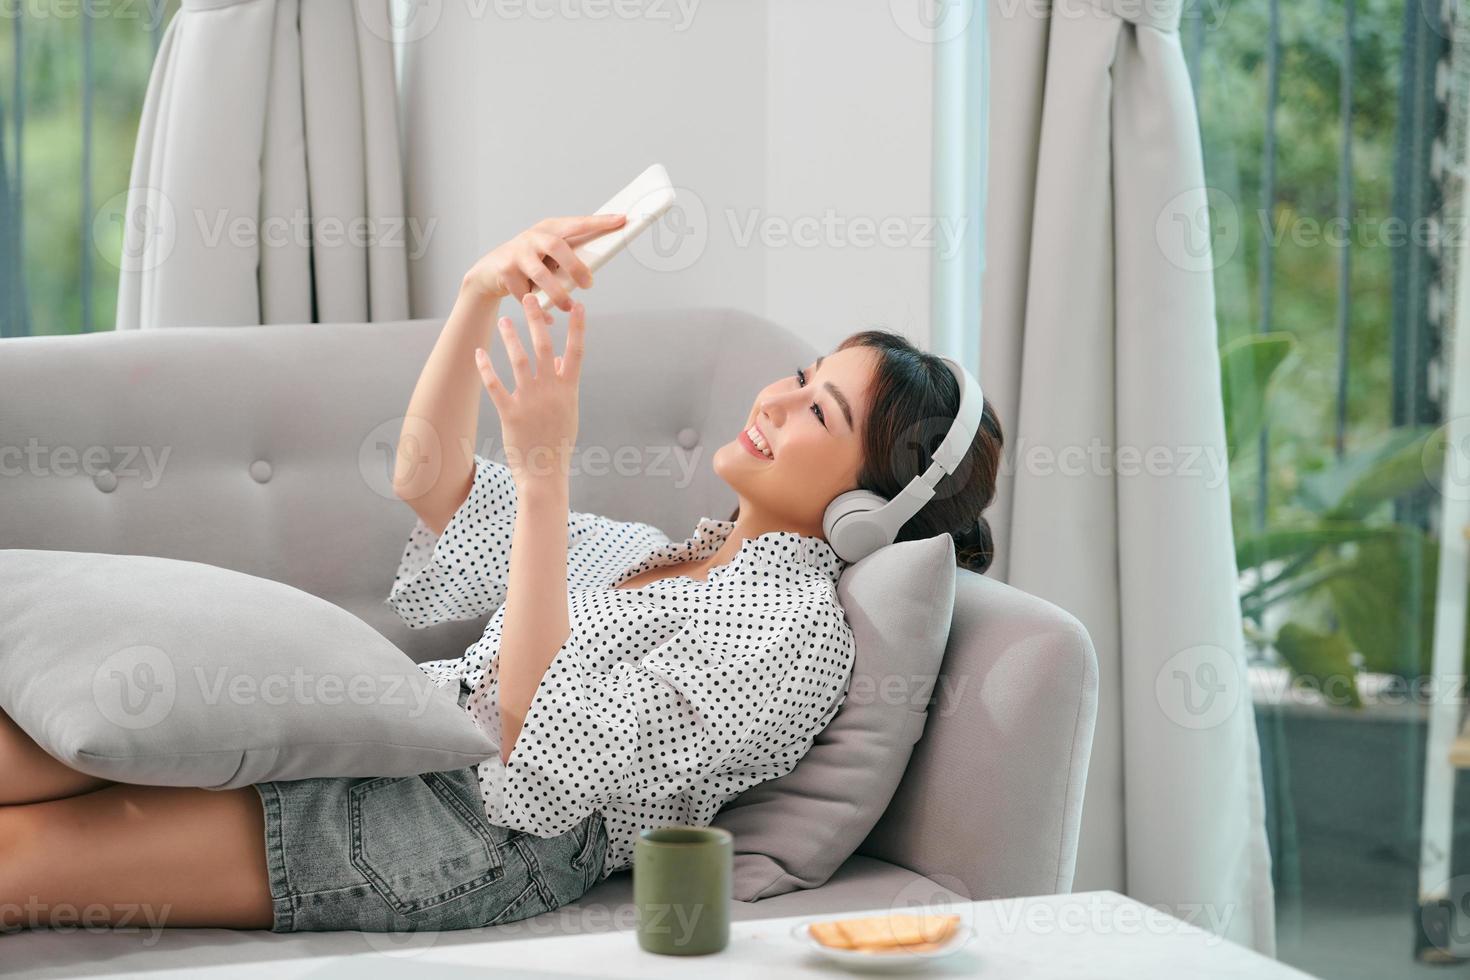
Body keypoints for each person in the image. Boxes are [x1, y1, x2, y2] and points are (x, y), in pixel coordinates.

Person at [0, 215, 1003, 933]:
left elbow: (533, 769)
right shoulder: (669, 552)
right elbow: (428, 480)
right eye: (800, 375)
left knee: (22, 866)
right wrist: (481, 293)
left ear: (866, 512)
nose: (778, 404)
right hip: (403, 732)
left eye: (820, 413)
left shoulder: (795, 634)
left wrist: (542, 473)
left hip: (474, 836)